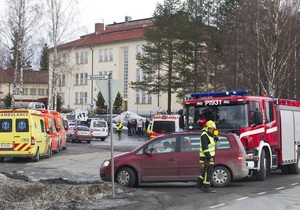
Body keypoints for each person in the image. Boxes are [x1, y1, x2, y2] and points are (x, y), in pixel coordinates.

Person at [195, 120, 217, 193]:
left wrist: (215, 137)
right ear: (207, 128)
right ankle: (206, 187)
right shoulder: (204, 135)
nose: (212, 130)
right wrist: (209, 157)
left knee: (205, 172)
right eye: (211, 129)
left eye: (213, 129)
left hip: (209, 156)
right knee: (209, 172)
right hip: (206, 157)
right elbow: (205, 148)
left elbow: (212, 145)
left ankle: (199, 184)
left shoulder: (210, 135)